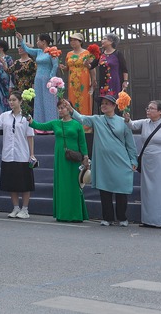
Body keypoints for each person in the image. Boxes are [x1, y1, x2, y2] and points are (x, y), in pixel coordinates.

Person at [65, 96, 137, 226]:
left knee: (121, 189)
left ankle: (122, 217)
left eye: (107, 104)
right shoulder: (97, 120)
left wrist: (134, 160)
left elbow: (130, 143)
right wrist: (71, 110)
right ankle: (107, 217)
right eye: (102, 104)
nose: (103, 106)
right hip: (103, 162)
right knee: (105, 189)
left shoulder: (123, 122)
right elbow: (81, 119)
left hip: (121, 160)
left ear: (114, 106)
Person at [29, 99, 90, 222]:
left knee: (74, 184)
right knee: (62, 184)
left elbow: (82, 142)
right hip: (61, 158)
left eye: (63, 107)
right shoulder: (55, 123)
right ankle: (63, 214)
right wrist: (30, 119)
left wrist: (85, 157)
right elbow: (38, 126)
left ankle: (76, 214)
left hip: (74, 159)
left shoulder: (77, 124)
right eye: (59, 108)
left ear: (69, 109)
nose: (60, 110)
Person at [125, 100, 161, 227]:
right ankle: (149, 220)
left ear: (160, 112)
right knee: (148, 191)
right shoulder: (144, 123)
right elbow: (131, 125)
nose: (148, 110)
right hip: (147, 163)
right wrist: (127, 119)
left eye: (152, 108)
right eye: (148, 108)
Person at [0, 91, 36, 219]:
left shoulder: (26, 117)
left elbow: (30, 136)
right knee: (11, 183)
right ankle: (15, 208)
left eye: (14, 100)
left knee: (25, 184)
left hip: (22, 155)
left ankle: (25, 209)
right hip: (8, 154)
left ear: (20, 102)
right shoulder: (4, 116)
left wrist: (32, 154)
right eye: (10, 100)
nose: (11, 102)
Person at [16, 32, 59, 124]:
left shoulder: (52, 51)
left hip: (48, 79)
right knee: (39, 101)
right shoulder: (39, 52)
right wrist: (21, 40)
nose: (37, 43)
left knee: (49, 101)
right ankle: (40, 125)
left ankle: (50, 124)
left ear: (43, 42)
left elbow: (55, 66)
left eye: (38, 41)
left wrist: (51, 78)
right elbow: (27, 49)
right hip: (38, 79)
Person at [59, 33, 96, 115]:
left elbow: (92, 67)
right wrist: (63, 67)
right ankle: (74, 122)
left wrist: (93, 80)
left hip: (84, 81)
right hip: (72, 83)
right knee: (72, 100)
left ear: (80, 41)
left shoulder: (87, 53)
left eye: (75, 40)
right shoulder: (69, 54)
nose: (72, 42)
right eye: (71, 40)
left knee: (84, 101)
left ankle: (85, 124)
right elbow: (67, 68)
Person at [91, 32, 129, 99]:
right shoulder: (101, 55)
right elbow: (91, 66)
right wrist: (86, 61)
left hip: (115, 82)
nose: (102, 41)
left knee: (115, 101)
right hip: (103, 83)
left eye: (104, 39)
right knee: (104, 102)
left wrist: (125, 81)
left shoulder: (118, 54)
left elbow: (124, 69)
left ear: (111, 42)